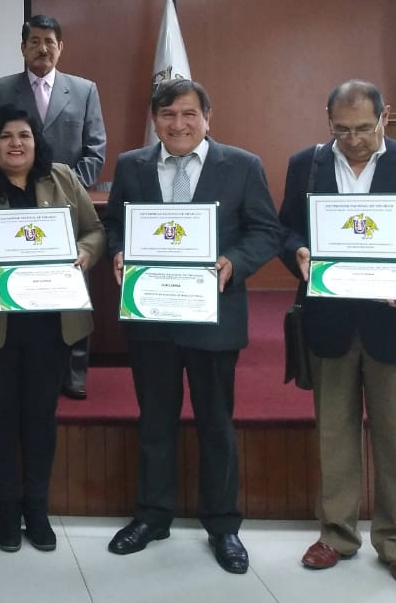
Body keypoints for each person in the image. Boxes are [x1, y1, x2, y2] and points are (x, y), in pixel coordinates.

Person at [278, 80, 396, 591]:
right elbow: (286, 229)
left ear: (385, 117)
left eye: (363, 128)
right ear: (328, 120)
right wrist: (297, 253)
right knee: (334, 435)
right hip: (330, 322)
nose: (353, 140)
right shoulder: (307, 164)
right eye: (341, 130)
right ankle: (336, 535)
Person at [103, 79, 280, 574]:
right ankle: (152, 516)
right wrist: (119, 251)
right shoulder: (132, 165)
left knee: (216, 424)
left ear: (207, 118)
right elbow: (114, 223)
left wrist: (234, 262)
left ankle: (222, 525)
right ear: (154, 119)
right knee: (155, 421)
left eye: (188, 114)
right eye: (167, 115)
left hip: (214, 318)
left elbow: (266, 231)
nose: (178, 125)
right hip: (152, 317)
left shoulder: (242, 165)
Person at [0, 105, 105, 552]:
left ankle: (37, 507)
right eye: (6, 136)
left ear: (37, 141)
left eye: (24, 136)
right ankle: (8, 509)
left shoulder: (63, 178)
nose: (16, 144)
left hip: (51, 325)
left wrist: (85, 254)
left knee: (40, 419)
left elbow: (95, 230)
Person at [0, 14, 107, 400]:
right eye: (34, 41)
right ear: (23, 47)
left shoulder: (84, 89)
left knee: (73, 280)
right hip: (13, 203)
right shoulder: (0, 89)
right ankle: (22, 361)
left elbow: (95, 148)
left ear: (60, 47)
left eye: (49, 42)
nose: (42, 49)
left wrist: (64, 188)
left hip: (66, 203)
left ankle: (75, 369)